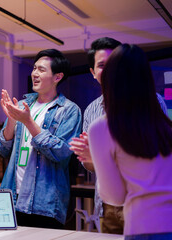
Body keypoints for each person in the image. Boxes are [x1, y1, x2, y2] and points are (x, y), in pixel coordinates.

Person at [69, 37, 168, 234]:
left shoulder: (102, 127)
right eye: (102, 65)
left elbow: (116, 194)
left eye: (113, 64)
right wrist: (93, 158)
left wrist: (98, 157)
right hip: (135, 213)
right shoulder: (92, 111)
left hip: (137, 216)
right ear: (93, 72)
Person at [0, 49, 82, 229]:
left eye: (41, 70)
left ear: (57, 77)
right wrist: (11, 119)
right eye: (34, 68)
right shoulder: (21, 105)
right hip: (12, 196)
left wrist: (27, 121)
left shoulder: (69, 110)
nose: (34, 73)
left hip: (45, 201)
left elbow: (61, 153)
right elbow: (2, 149)